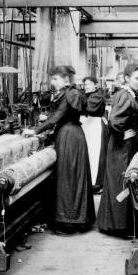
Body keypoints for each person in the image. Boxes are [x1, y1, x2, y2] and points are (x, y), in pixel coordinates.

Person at [22, 65, 94, 233]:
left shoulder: (70, 93)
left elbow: (57, 118)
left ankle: (69, 222)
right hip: (71, 135)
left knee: (68, 178)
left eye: (55, 79)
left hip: (69, 137)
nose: (52, 82)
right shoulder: (71, 92)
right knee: (72, 176)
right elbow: (60, 115)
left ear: (65, 79)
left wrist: (34, 130)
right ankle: (76, 219)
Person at [97, 63, 138, 236]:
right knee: (121, 183)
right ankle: (118, 227)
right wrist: (123, 135)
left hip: (126, 147)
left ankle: (121, 224)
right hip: (121, 148)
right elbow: (114, 121)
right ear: (127, 78)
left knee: (124, 182)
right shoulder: (124, 95)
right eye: (137, 78)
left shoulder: (131, 94)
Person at [80, 76, 108, 193]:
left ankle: (96, 184)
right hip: (87, 127)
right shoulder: (88, 95)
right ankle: (89, 182)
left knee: (95, 156)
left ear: (95, 85)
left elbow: (89, 109)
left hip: (95, 127)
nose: (86, 87)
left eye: (89, 84)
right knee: (89, 155)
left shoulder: (97, 96)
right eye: (85, 85)